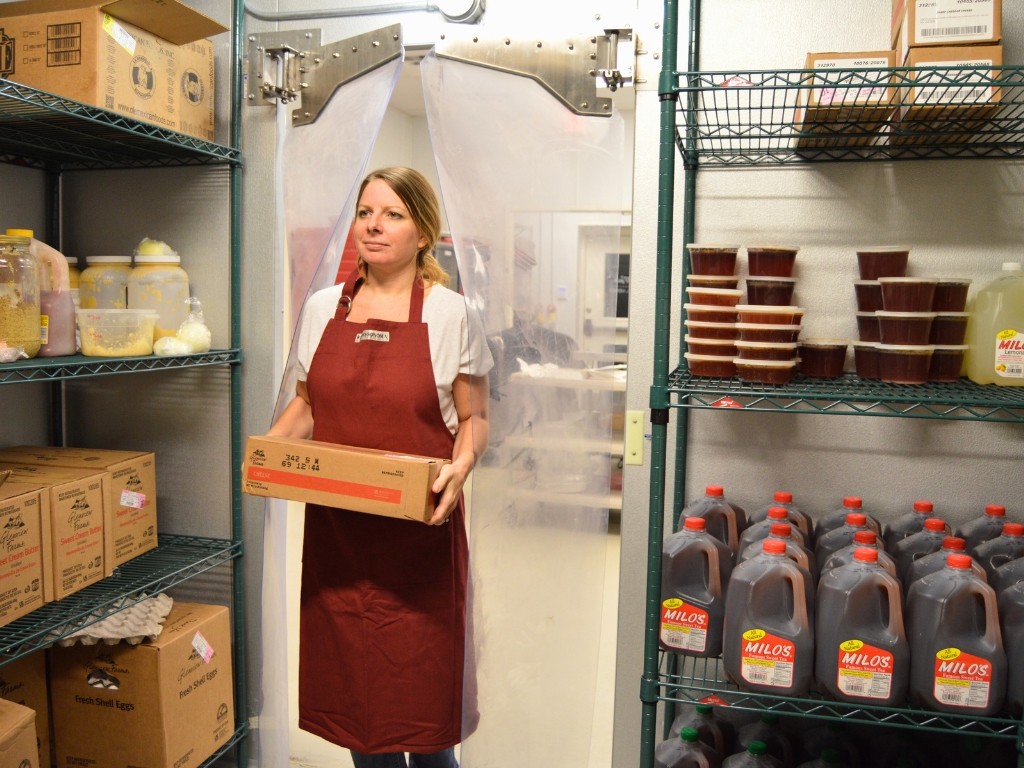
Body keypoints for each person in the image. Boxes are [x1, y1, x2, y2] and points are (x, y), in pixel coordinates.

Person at [269, 167, 492, 767]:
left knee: (425, 713)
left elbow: (473, 418)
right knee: (358, 713)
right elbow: (307, 406)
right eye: (367, 212)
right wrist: (267, 455)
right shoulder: (321, 310)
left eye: (393, 214)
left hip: (421, 535)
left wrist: (462, 466)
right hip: (340, 538)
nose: (374, 224)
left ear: (423, 233)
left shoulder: (451, 315)